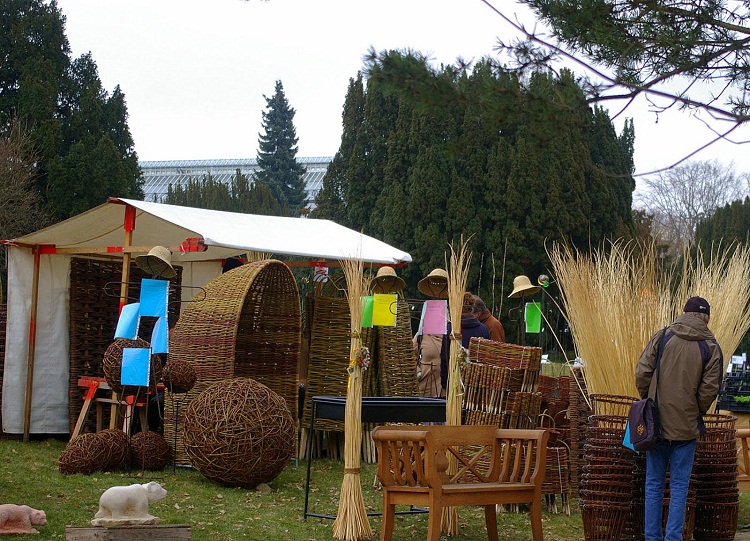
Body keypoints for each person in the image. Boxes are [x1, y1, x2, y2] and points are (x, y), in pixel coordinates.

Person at [635, 296, 723, 541]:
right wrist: (695, 411)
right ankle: (673, 538)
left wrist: (649, 399)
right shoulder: (711, 347)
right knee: (680, 486)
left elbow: (642, 372)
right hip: (687, 427)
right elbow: (710, 389)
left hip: (657, 423)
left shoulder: (663, 336)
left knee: (653, 483)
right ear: (707, 319)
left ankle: (652, 537)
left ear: (683, 313)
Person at [413, 268, 450, 398]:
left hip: (444, 390)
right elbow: (411, 355)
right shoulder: (421, 335)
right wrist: (418, 371)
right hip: (425, 389)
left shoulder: (450, 334)